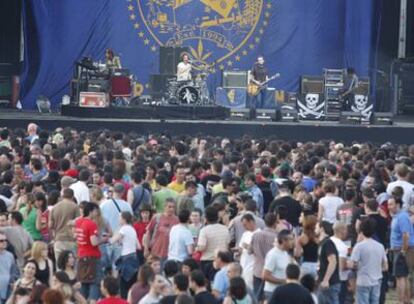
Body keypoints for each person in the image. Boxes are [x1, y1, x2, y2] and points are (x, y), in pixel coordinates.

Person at [74, 202, 108, 302]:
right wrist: (103, 239)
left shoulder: (79, 222)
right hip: (92, 258)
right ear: (91, 211)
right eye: (95, 211)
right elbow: (94, 242)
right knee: (95, 283)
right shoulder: (91, 224)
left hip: (81, 256)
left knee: (83, 284)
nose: (97, 213)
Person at [349, 218, 388, 304]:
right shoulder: (380, 246)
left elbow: (352, 264)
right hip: (377, 279)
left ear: (361, 231)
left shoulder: (359, 246)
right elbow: (385, 267)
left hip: (363, 280)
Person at [388, 196, 414, 304]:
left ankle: (401, 301)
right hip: (400, 249)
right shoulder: (397, 216)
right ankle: (406, 300)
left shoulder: (402, 217)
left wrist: (403, 250)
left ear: (398, 204)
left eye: (391, 204)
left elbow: (406, 234)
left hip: (402, 249)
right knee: (404, 276)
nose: (389, 207)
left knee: (400, 277)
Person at [109, 211, 140, 299]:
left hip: (126, 260)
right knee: (132, 287)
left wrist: (108, 238)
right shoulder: (132, 229)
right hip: (134, 259)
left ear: (124, 219)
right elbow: (138, 246)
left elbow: (112, 241)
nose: (119, 219)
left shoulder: (124, 228)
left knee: (123, 288)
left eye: (120, 217)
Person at [250, 212, 278, 302]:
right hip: (272, 273)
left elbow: (250, 251)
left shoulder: (256, 235)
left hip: (257, 270)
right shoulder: (277, 237)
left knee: (257, 298)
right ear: (275, 223)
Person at [196, 206, 230, 281]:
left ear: (206, 218)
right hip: (222, 261)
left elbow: (202, 247)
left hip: (207, 261)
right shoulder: (225, 229)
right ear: (218, 217)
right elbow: (227, 245)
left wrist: (196, 248)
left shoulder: (204, 230)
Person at [262, 229, 295, 300]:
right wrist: (283, 281)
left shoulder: (285, 253)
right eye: (291, 239)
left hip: (283, 292)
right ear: (283, 241)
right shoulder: (273, 254)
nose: (293, 242)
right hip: (272, 292)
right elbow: (265, 276)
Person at [144, 198, 179, 264]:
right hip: (155, 252)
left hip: (170, 254)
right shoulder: (157, 217)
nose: (171, 209)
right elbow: (148, 233)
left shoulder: (177, 220)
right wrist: (146, 249)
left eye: (173, 207)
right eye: (169, 207)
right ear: (165, 207)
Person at [49, 188, 77, 261]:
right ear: (72, 196)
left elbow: (50, 225)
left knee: (59, 265)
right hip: (71, 240)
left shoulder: (54, 207)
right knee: (72, 266)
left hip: (58, 239)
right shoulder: (75, 207)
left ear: (62, 196)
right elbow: (78, 223)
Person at [318, 221, 340, 304]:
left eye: (317, 226)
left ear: (321, 229)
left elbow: (333, 261)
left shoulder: (327, 243)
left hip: (330, 283)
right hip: (325, 282)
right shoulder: (323, 243)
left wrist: (326, 280)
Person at [238, 213, 259, 289]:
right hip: (243, 264)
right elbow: (240, 248)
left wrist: (248, 247)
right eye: (243, 225)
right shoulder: (245, 234)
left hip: (252, 266)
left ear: (252, 222)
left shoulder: (258, 234)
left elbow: (259, 250)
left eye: (245, 225)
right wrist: (238, 251)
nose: (245, 227)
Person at [0, 232, 18, 304]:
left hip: (8, 288)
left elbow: (14, 271)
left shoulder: (10, 255)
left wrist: (13, 281)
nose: (4, 242)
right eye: (1, 241)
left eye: (5, 240)